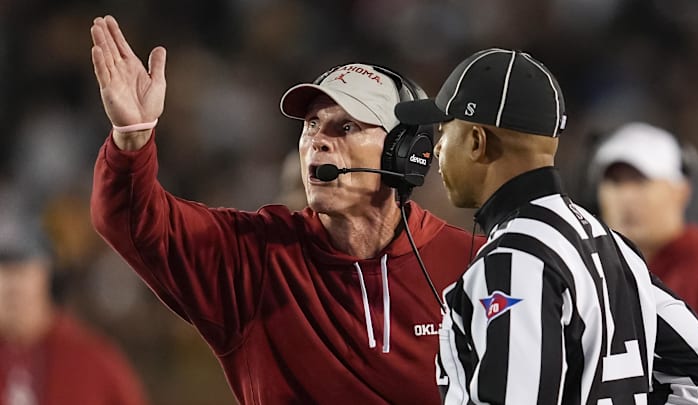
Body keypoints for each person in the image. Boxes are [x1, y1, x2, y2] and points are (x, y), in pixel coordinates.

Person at [88, 15, 484, 404]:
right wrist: (132, 141)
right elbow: (133, 221)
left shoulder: (475, 265)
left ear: (405, 153)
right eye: (311, 124)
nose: (318, 142)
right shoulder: (254, 257)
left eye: (346, 127)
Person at [394, 48, 698, 404]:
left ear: (476, 141)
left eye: (446, 129)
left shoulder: (514, 259)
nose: (438, 147)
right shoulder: (615, 247)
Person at [0, 196, 148, 405]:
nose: (11, 283)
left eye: (22, 268)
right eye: (3, 269)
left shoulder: (91, 359)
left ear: (49, 274)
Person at [589, 122, 698, 342]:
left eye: (640, 181)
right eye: (615, 181)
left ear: (681, 191)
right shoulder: (599, 272)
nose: (626, 197)